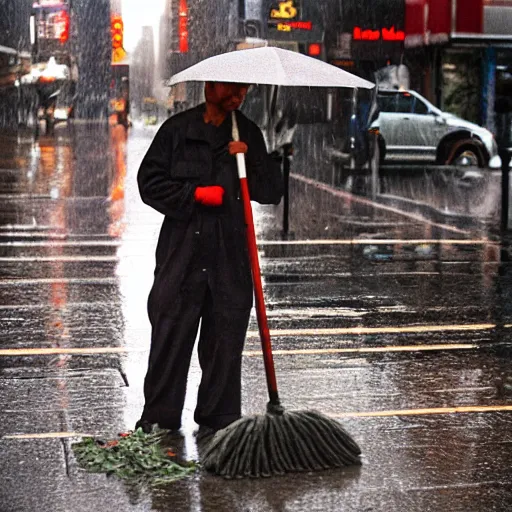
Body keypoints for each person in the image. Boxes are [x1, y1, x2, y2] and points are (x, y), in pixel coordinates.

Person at [136, 82, 283, 435]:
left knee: (224, 340)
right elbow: (149, 183)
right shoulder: (178, 130)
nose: (239, 96)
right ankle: (160, 419)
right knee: (170, 333)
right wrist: (194, 194)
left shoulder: (246, 131)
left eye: (243, 90)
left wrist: (253, 160)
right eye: (232, 89)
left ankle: (219, 421)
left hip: (229, 254)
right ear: (210, 87)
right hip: (182, 253)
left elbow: (270, 192)